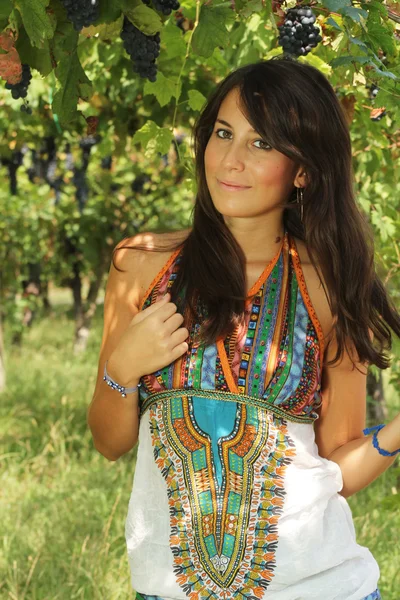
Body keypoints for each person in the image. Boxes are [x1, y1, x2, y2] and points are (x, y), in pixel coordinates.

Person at [87, 57, 400, 600]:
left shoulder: (328, 286)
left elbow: (338, 468)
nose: (230, 160)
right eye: (223, 133)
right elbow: (109, 442)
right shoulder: (141, 265)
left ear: (302, 170)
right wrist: (122, 369)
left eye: (261, 144)